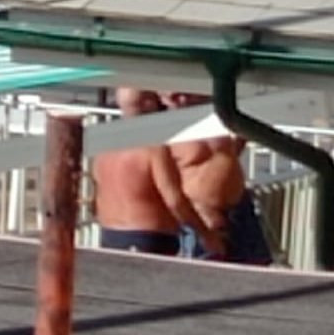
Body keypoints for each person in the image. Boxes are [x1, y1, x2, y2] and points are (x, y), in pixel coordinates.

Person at [166, 92, 274, 264]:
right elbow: (167, 187)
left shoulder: (217, 119)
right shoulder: (163, 133)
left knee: (255, 271)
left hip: (239, 209)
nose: (183, 98)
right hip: (200, 216)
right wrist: (198, 217)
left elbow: (236, 145)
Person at [94, 88, 199, 256]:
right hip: (148, 237)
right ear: (150, 104)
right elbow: (173, 199)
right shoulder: (153, 145)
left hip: (109, 234)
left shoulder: (105, 144)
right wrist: (204, 232)